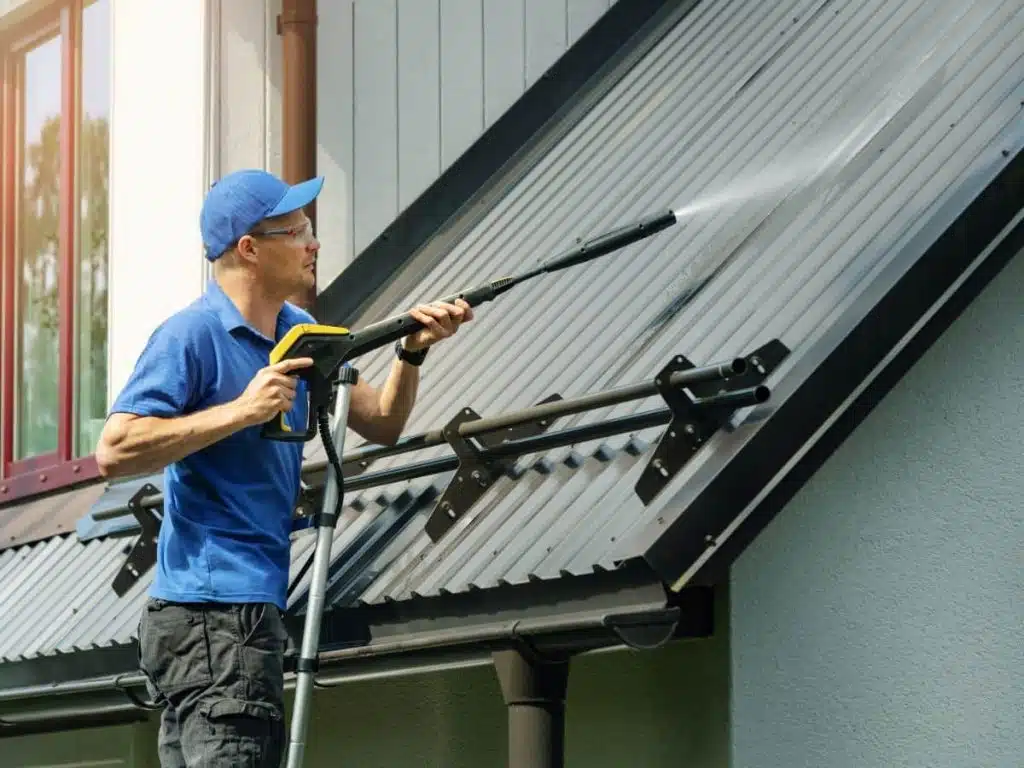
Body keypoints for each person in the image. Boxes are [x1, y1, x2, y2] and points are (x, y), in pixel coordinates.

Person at [95, 169, 472, 767]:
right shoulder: (192, 335)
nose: (314, 244)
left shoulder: (301, 334)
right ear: (250, 248)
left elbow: (381, 421)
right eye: (298, 231)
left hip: (231, 617)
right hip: (214, 617)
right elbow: (115, 450)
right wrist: (242, 411)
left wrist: (412, 351)